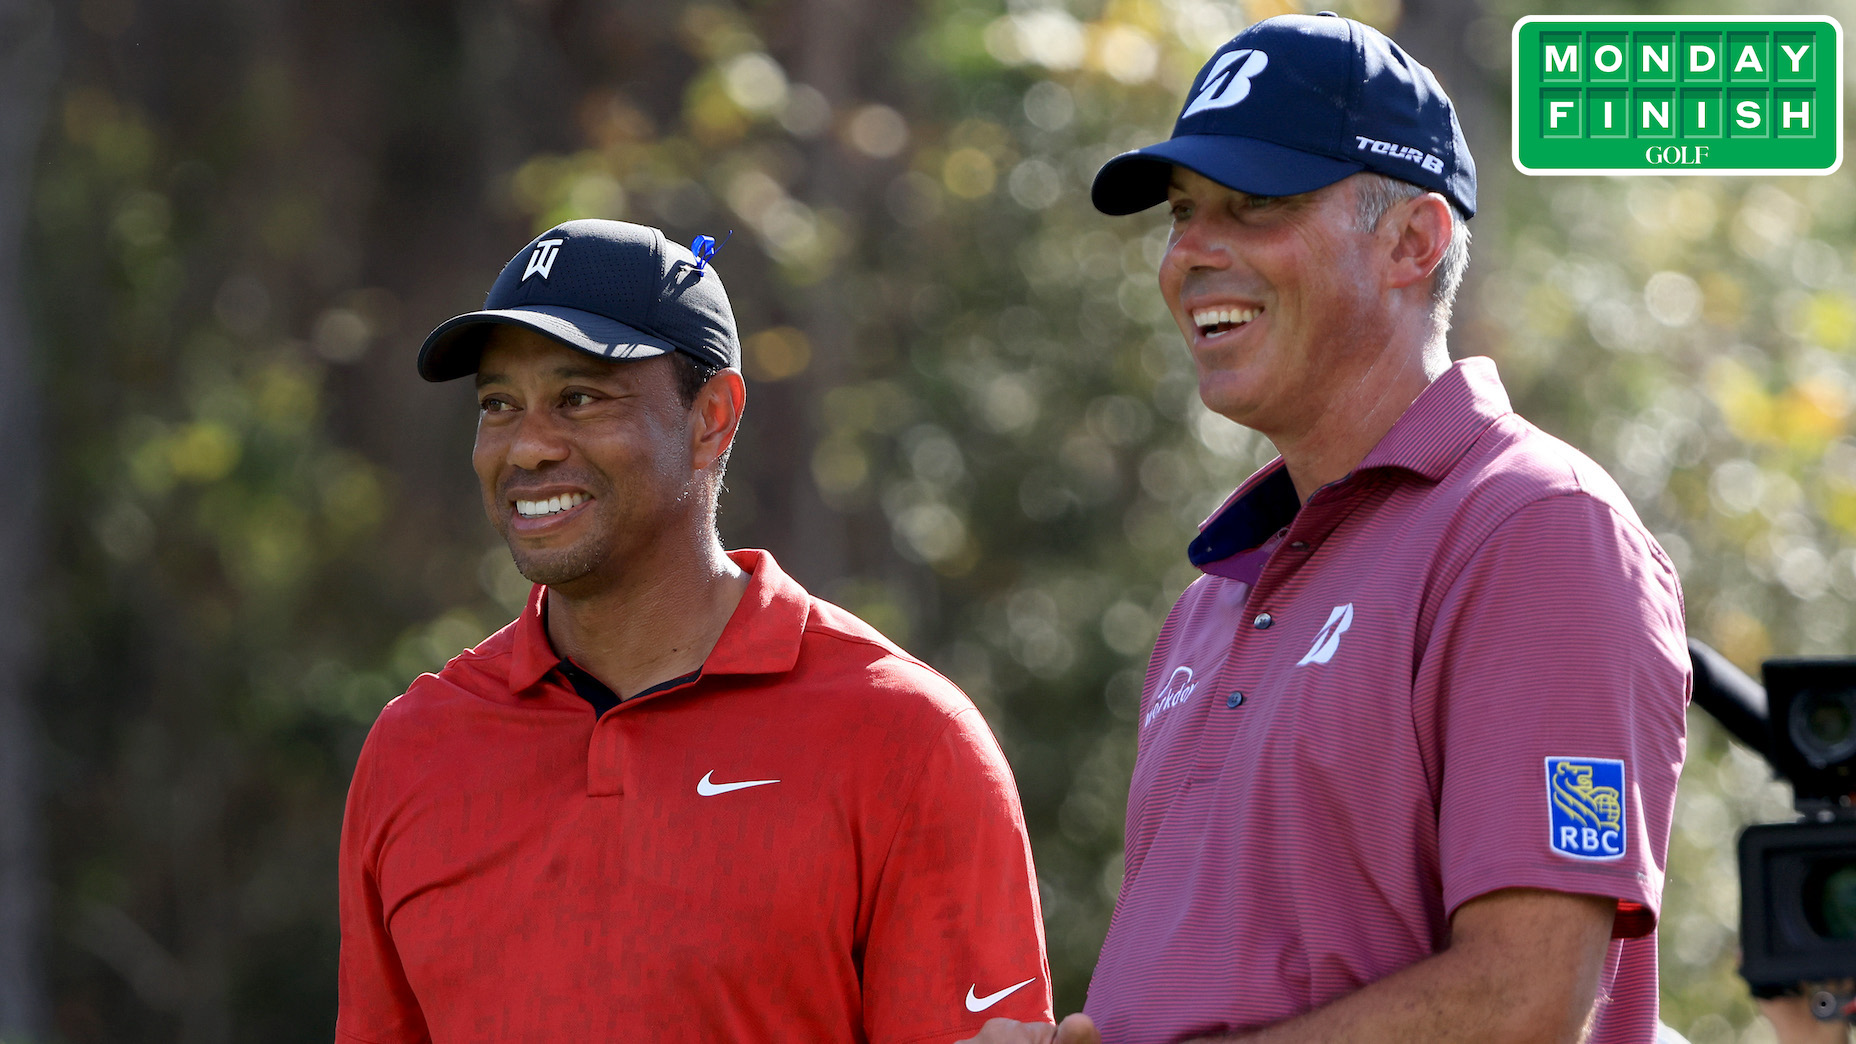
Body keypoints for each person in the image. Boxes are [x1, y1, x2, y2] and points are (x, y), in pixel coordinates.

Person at [965, 13, 1689, 1044]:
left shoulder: (1534, 528)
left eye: (1252, 205)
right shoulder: (1212, 597)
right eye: (1181, 212)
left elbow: (1521, 1004)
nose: (1190, 256)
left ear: (1411, 240)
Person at [337, 219, 1053, 1042]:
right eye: (499, 404)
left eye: (579, 398)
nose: (528, 446)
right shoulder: (416, 747)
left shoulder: (906, 737)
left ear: (712, 417)